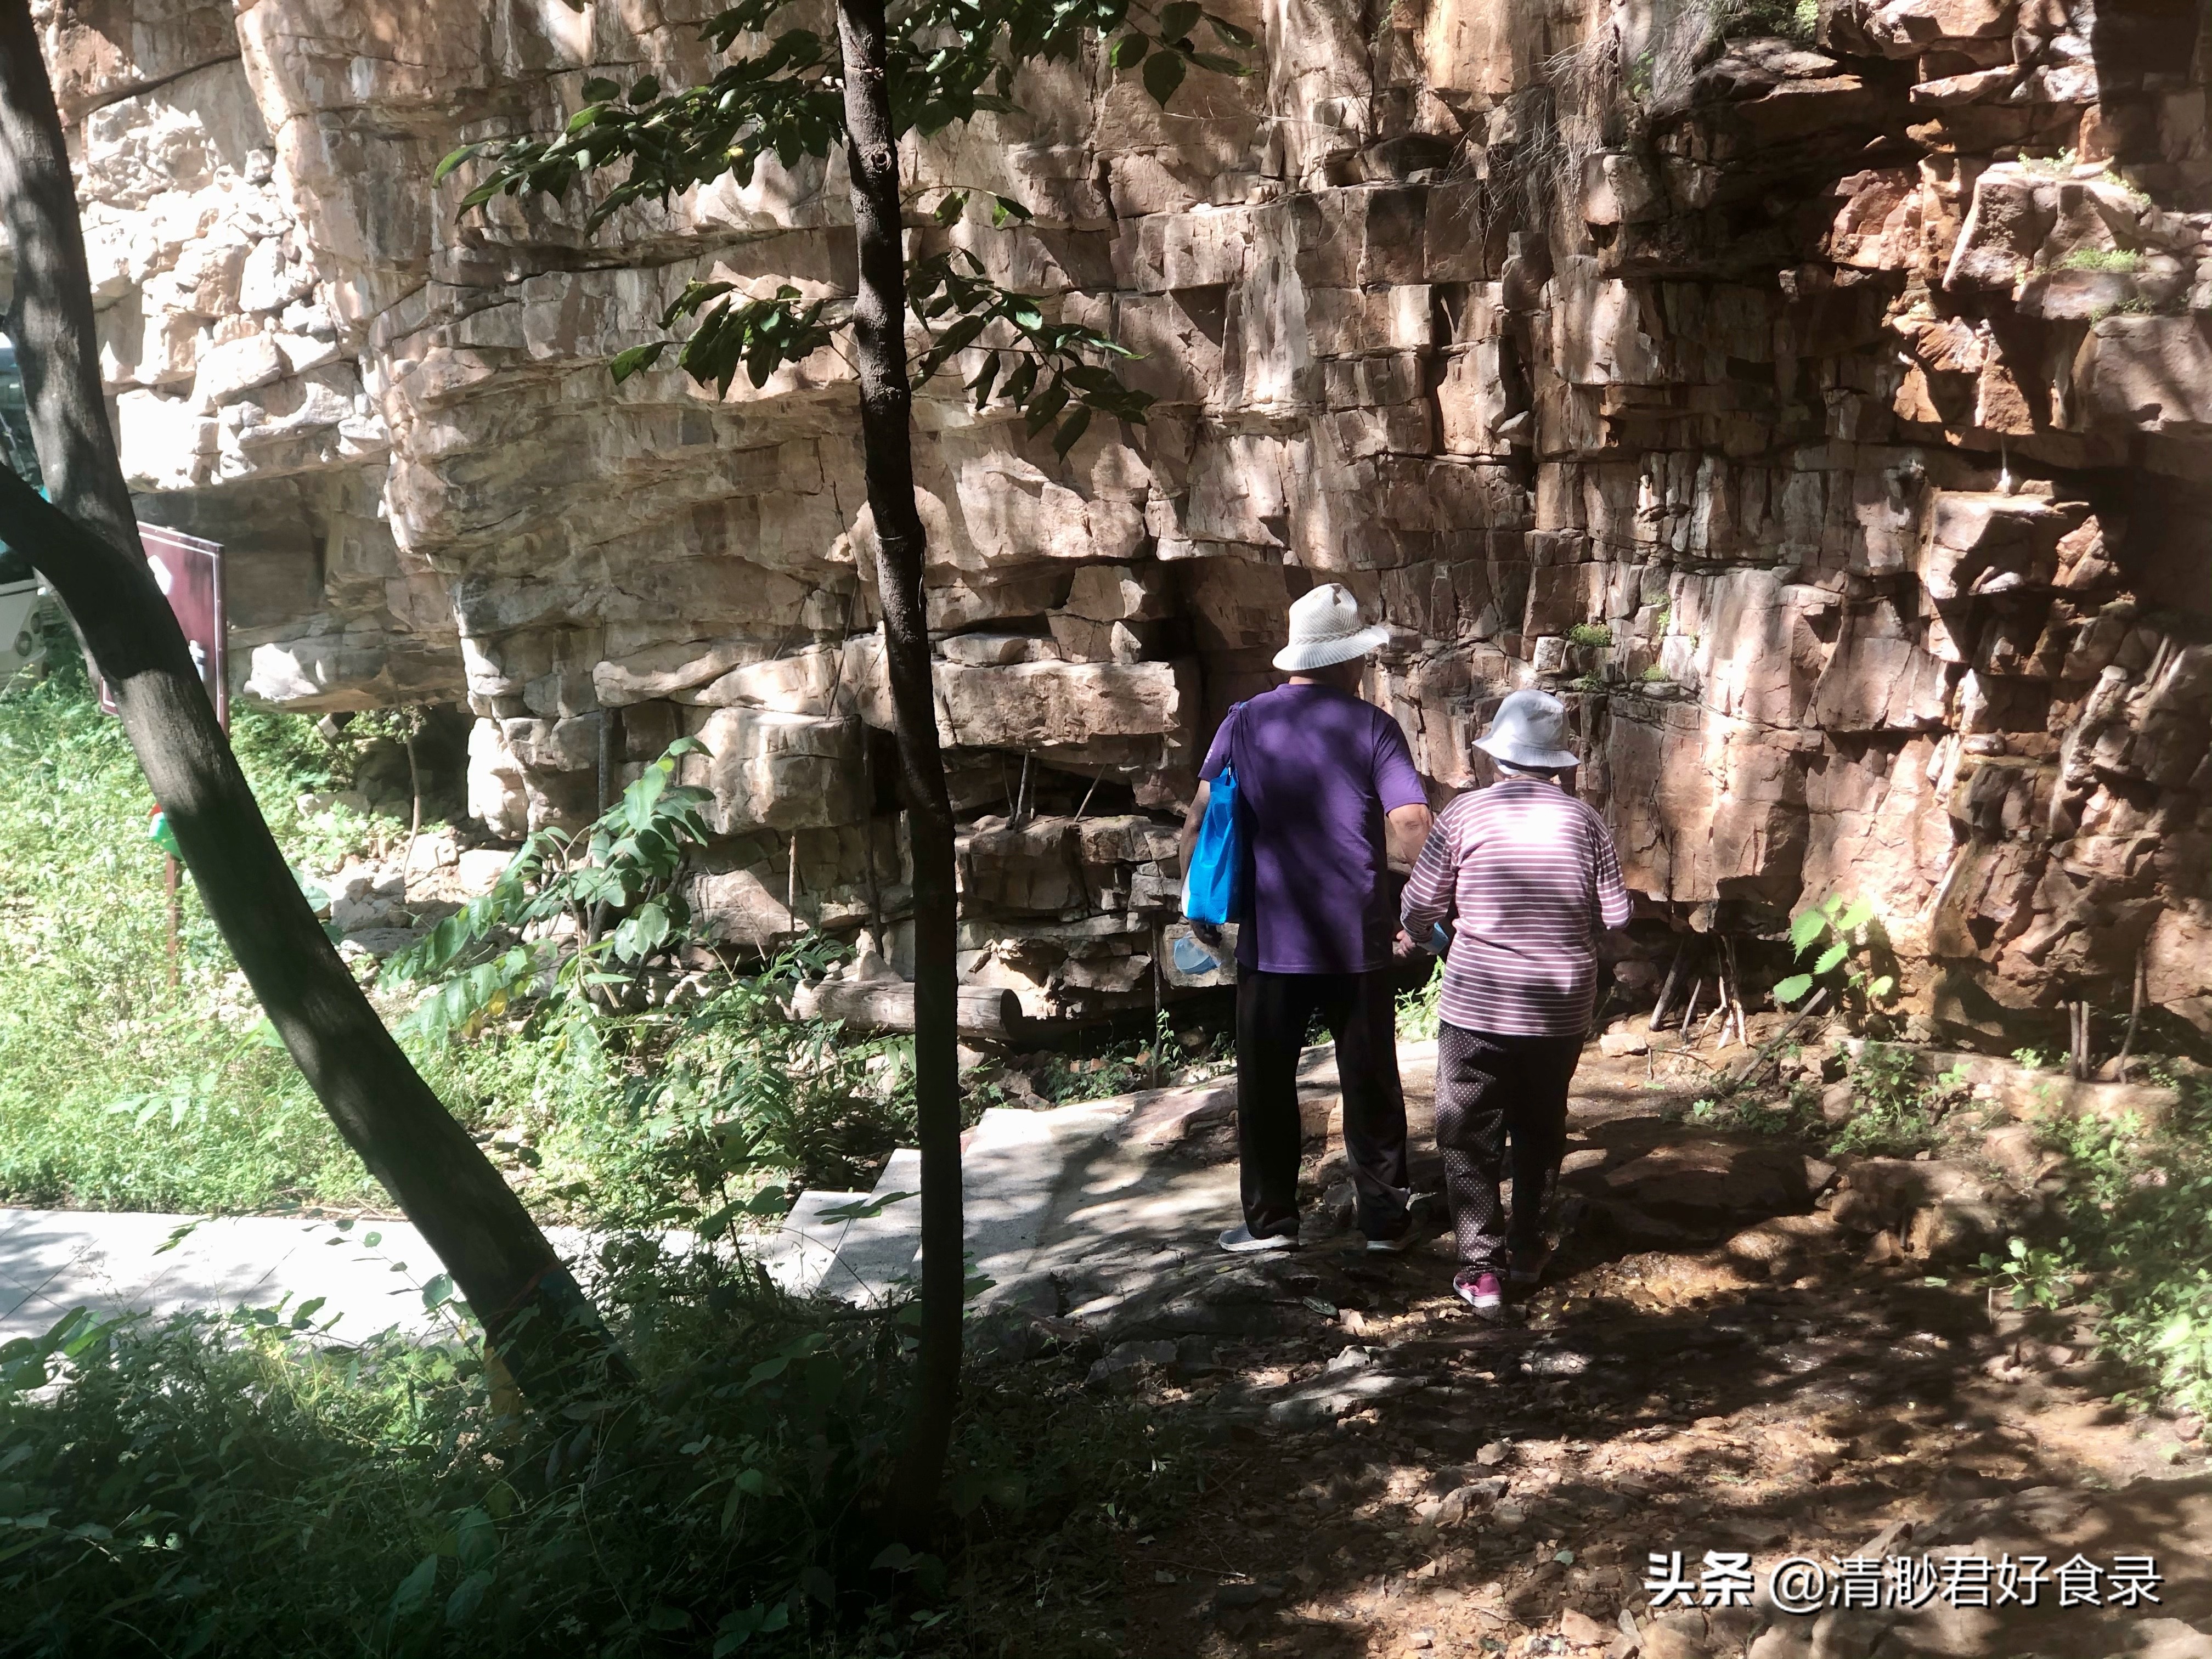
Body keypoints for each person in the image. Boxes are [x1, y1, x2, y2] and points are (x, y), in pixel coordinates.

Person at [1179, 582, 1434, 1255]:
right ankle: (1385, 1222)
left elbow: (1203, 817)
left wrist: (1197, 901)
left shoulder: (1244, 720)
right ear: (1347, 660)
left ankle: (1272, 1224)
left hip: (1271, 940)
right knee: (1372, 1082)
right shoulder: (1374, 726)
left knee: (1265, 1084)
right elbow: (1409, 821)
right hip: (1358, 938)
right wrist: (1432, 905)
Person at [1398, 689, 1630, 1314]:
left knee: (1468, 1130)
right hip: (1560, 1007)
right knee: (1540, 1124)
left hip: (1479, 1002)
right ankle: (1527, 1252)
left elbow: (1421, 903)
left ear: (1496, 757)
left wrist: (1419, 934)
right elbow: (1616, 912)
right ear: (1558, 763)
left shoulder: (1465, 815)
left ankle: (1481, 1269)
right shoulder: (1587, 822)